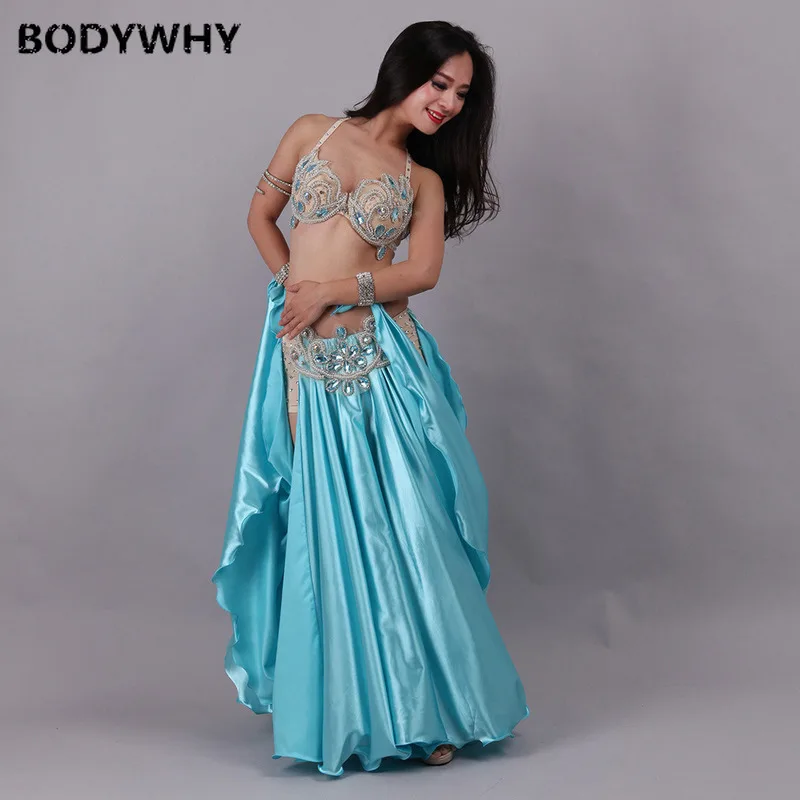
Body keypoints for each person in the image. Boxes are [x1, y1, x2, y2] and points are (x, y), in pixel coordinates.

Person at [211, 20, 529, 777]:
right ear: (404, 70)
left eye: (462, 95)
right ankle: (349, 712)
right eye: (440, 84)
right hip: (306, 365)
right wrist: (294, 292)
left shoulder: (423, 180)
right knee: (328, 536)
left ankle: (435, 709)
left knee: (410, 532)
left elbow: (421, 273)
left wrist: (332, 289)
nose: (448, 103)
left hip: (383, 364)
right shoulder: (312, 133)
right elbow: (259, 216)